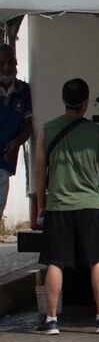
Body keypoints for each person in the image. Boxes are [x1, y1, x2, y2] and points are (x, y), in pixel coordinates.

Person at [33, 79, 99, 335]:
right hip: (91, 205)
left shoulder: (47, 130)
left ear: (63, 100)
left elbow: (39, 173)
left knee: (55, 262)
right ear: (86, 102)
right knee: (96, 260)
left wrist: (41, 205)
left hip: (58, 205)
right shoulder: (96, 132)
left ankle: (51, 320)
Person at [0, 43, 33, 224]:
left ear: (16, 63)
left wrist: (18, 141)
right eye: (1, 63)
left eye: (9, 62)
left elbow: (28, 126)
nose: (6, 67)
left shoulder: (23, 90)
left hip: (4, 164)